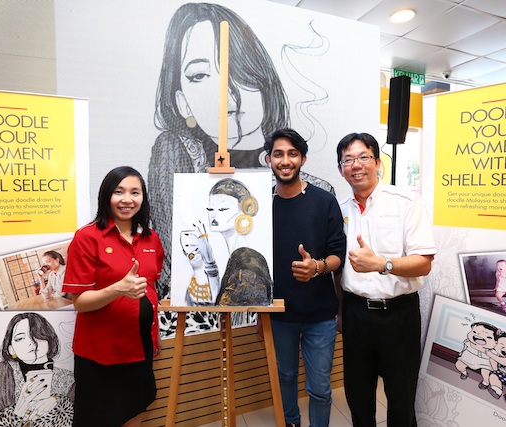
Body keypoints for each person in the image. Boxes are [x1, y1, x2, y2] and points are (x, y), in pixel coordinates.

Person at [147, 2, 333, 305]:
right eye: (199, 75)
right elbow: (175, 259)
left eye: (239, 68)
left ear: (263, 81)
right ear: (182, 101)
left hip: (288, 310)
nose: (227, 90)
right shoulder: (175, 156)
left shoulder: (317, 191)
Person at [334, 132, 436, 427]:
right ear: (340, 169)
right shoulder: (339, 209)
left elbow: (424, 263)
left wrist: (382, 264)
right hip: (355, 314)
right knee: (358, 395)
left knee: (401, 397)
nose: (356, 165)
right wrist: (340, 311)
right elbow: (338, 269)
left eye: (363, 157)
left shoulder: (406, 202)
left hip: (398, 316)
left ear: (378, 163)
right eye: (348, 160)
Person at [62, 166, 164, 427]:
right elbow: (80, 302)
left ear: (143, 197)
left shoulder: (151, 239)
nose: (127, 199)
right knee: (99, 418)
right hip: (100, 352)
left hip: (140, 347)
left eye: (135, 192)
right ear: (107, 195)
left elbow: (151, 290)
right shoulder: (87, 238)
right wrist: (118, 289)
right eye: (119, 192)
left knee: (134, 411)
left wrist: (155, 334)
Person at [262, 128, 346, 427]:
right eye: (278, 154)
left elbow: (338, 255)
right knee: (284, 376)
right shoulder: (260, 206)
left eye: (292, 154)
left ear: (303, 159)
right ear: (269, 159)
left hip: (320, 314)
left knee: (320, 388)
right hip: (278, 313)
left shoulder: (324, 201)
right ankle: (291, 422)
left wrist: (317, 267)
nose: (285, 161)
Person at [179, 177, 272, 307]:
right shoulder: (233, 256)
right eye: (210, 209)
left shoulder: (247, 261)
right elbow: (217, 302)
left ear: (244, 211)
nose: (213, 215)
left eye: (223, 209)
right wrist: (206, 263)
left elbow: (230, 310)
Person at [0, 312, 75, 427]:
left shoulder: (69, 379)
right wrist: (17, 413)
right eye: (20, 338)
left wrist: (58, 402)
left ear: (49, 339)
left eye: (37, 334)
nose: (31, 342)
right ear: (11, 349)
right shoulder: (7, 371)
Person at [455, 321, 499, 390]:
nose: (479, 336)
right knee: (459, 365)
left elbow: (494, 358)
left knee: (486, 372)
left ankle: (485, 382)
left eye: (488, 337)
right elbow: (465, 347)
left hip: (484, 360)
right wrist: (462, 352)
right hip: (469, 356)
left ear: (495, 342)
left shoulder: (491, 351)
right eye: (474, 332)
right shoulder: (468, 342)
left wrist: (495, 368)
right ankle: (464, 372)